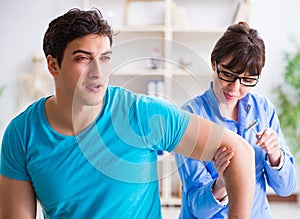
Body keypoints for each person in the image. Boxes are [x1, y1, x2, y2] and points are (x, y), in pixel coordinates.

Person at [0, 9, 255, 219]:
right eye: (83, 58)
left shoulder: (141, 114)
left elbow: (240, 153)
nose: (98, 72)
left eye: (105, 58)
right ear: (53, 64)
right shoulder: (22, 134)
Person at [175, 21, 296, 219]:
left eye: (247, 80)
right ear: (214, 63)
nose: (234, 88)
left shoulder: (263, 109)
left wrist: (275, 156)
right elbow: (198, 208)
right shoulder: (190, 118)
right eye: (228, 75)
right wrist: (223, 183)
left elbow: (286, 188)